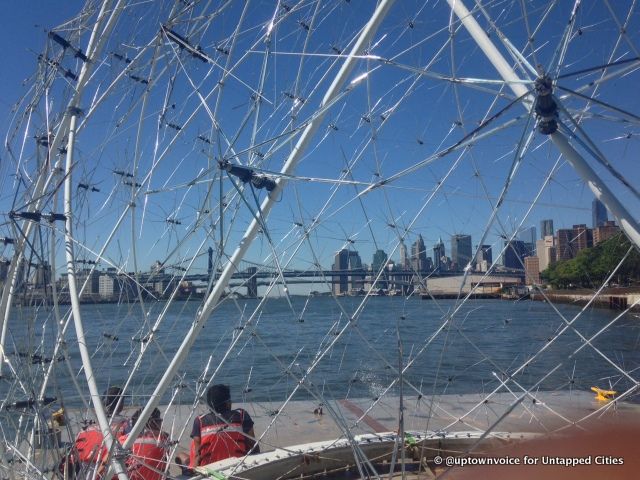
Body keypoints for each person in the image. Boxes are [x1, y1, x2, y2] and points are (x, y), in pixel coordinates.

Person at [177, 384, 259, 474]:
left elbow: (197, 455)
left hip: (209, 471)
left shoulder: (199, 421)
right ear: (228, 403)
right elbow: (253, 445)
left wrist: (193, 472)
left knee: (181, 456)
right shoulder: (241, 415)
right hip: (237, 467)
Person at [62, 386, 128, 479]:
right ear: (120, 404)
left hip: (78, 469)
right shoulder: (125, 425)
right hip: (104, 469)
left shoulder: (89, 425)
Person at [118, 408, 169, 480]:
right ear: (153, 423)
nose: (161, 423)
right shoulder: (164, 439)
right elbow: (166, 464)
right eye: (159, 421)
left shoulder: (123, 440)